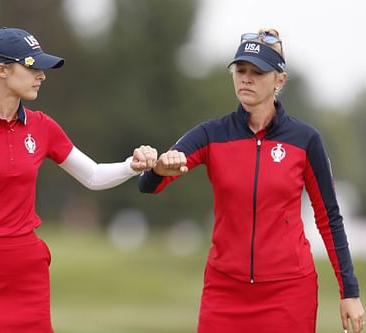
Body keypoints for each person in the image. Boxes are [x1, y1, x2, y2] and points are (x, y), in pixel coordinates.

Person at [0, 27, 157, 333]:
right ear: (2, 70)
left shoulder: (43, 127)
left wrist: (132, 165)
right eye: (32, 67)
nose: (42, 75)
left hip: (26, 272)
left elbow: (92, 175)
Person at [138, 28, 365, 333]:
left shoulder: (305, 140)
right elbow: (150, 184)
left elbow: (329, 217)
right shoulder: (211, 134)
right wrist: (159, 170)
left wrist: (349, 291)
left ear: (279, 80)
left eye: (257, 72)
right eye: (240, 70)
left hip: (288, 292)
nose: (246, 78)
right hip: (225, 291)